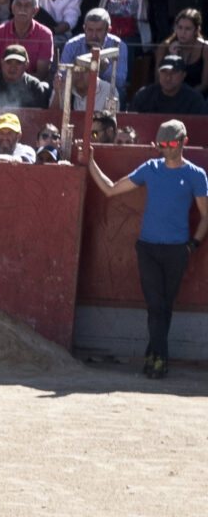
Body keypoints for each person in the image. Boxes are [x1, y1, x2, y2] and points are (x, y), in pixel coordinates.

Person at [85, 121, 205, 379]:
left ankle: (154, 354)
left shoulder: (196, 174)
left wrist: (193, 244)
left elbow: (206, 215)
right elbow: (110, 189)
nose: (166, 149)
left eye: (171, 144)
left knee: (164, 306)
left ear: (184, 142)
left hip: (177, 250)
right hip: (148, 248)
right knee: (155, 304)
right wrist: (90, 161)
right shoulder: (150, 168)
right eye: (162, 145)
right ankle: (160, 358)